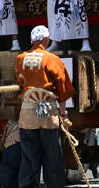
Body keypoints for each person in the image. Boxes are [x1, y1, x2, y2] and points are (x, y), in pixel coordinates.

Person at [15, 26, 75, 188]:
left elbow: (21, 82)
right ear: (46, 40)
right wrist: (63, 115)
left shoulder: (21, 58)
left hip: (27, 112)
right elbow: (62, 89)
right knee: (52, 156)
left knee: (29, 157)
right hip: (47, 112)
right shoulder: (52, 59)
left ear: (32, 41)